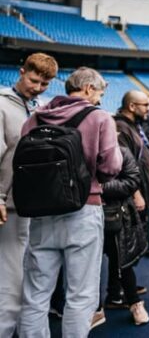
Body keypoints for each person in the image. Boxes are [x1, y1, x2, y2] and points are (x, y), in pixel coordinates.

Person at [18, 67, 122, 338]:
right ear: (88, 89)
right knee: (81, 294)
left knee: (35, 294)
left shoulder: (36, 117)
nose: (99, 99)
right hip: (83, 209)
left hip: (41, 211)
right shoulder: (99, 117)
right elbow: (111, 167)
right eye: (98, 93)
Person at [0, 53, 58, 338]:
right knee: (10, 284)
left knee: (34, 280)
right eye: (34, 80)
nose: (37, 87)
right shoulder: (0, 104)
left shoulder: (43, 108)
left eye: (45, 84)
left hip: (37, 206)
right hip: (8, 207)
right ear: (21, 72)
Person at [95, 146, 149, 327]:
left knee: (122, 259)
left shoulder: (121, 151)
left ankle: (134, 304)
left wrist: (97, 187)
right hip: (88, 214)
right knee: (88, 266)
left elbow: (132, 180)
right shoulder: (82, 148)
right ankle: (97, 307)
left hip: (118, 214)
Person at [114, 92, 149, 259]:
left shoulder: (134, 125)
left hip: (143, 190)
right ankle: (124, 284)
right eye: (146, 105)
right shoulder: (121, 127)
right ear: (132, 106)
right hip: (134, 194)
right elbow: (124, 165)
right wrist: (136, 193)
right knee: (129, 245)